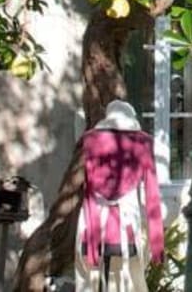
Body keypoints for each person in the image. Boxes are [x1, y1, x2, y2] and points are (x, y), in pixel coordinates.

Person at [75, 100, 164, 292]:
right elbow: (152, 193)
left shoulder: (90, 139)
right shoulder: (143, 142)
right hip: (126, 223)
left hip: (94, 223)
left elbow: (87, 186)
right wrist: (156, 242)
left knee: (91, 281)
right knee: (129, 280)